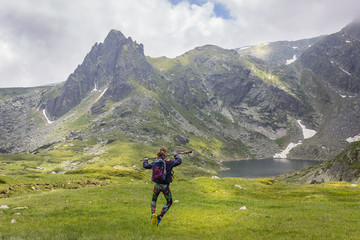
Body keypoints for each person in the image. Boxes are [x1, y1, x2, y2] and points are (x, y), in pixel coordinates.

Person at [143, 147, 182, 226]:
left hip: (157, 185)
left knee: (154, 200)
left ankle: (153, 214)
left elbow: (146, 166)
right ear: (165, 154)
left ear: (158, 155)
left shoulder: (155, 162)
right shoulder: (169, 162)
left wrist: (145, 160)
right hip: (165, 186)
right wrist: (176, 155)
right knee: (169, 202)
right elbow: (179, 161)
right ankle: (159, 216)